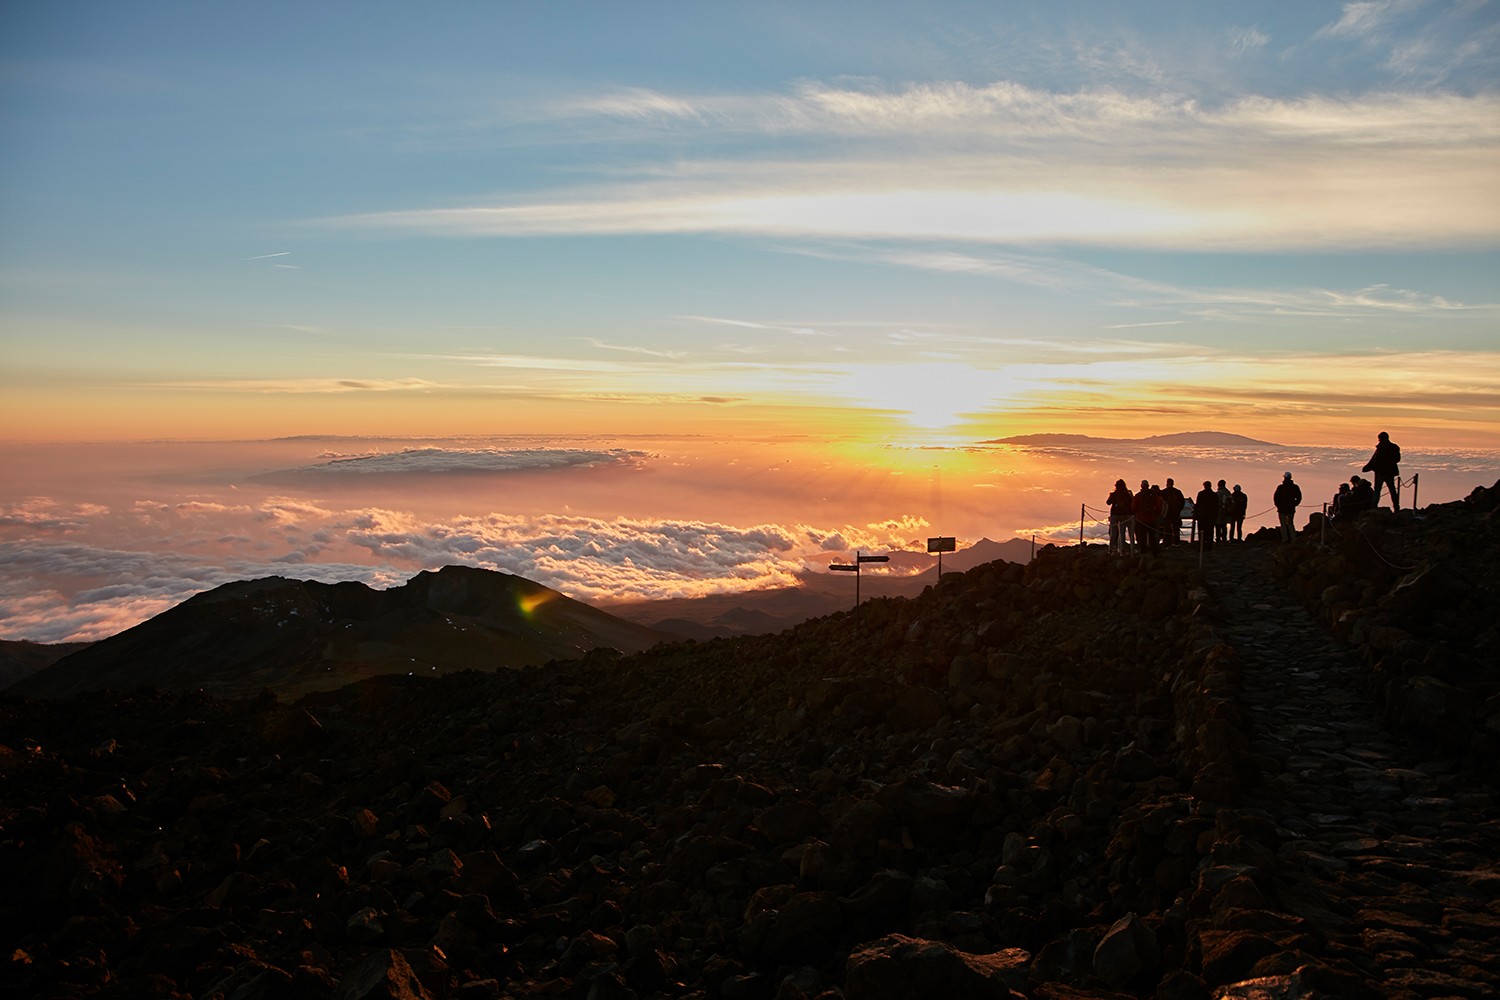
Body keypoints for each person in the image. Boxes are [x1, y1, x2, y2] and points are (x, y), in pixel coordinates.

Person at [1362, 431, 1402, 510]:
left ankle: (1373, 507)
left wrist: (1367, 467)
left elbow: (1375, 460)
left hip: (1380, 472)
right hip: (1390, 472)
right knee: (1392, 490)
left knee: (1377, 490)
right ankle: (1396, 507)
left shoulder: (1380, 448)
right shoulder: (1394, 447)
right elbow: (1397, 459)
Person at [1132, 482, 1163, 553]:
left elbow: (1133, 507)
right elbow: (1158, 506)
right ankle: (1154, 552)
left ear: (1141, 486)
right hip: (1151, 519)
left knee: (1142, 537)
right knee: (1152, 536)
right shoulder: (1154, 496)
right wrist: (1156, 515)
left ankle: (1143, 552)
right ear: (1148, 486)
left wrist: (1136, 514)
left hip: (1140, 519)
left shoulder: (1138, 496)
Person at [1106, 479, 1134, 554]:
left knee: (1113, 533)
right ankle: (1122, 550)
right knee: (1122, 533)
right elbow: (1131, 502)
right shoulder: (1127, 494)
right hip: (1124, 515)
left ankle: (1111, 549)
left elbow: (1108, 502)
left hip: (1114, 515)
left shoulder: (1113, 494)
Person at [1274, 471, 1301, 543]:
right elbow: (1299, 497)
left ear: (1284, 478)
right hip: (1291, 509)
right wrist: (1295, 504)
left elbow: (1276, 498)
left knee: (1283, 525)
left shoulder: (1280, 487)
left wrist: (1278, 506)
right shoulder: (1295, 487)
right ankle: (1293, 539)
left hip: (1282, 509)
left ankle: (1285, 539)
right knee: (1290, 524)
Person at [1194, 481, 1220, 552]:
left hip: (1202, 517)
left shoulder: (1201, 494)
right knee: (1210, 532)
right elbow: (1216, 507)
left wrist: (1197, 514)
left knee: (1202, 532)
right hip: (1210, 517)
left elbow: (1198, 505)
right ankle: (1209, 546)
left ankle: (1202, 546)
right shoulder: (1214, 495)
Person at [1161, 478, 1186, 546]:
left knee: (1168, 528)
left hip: (1168, 513)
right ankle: (1175, 542)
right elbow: (1182, 502)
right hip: (1174, 513)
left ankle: (1167, 542)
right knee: (1174, 528)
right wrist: (1178, 510)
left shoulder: (1164, 492)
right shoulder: (1177, 492)